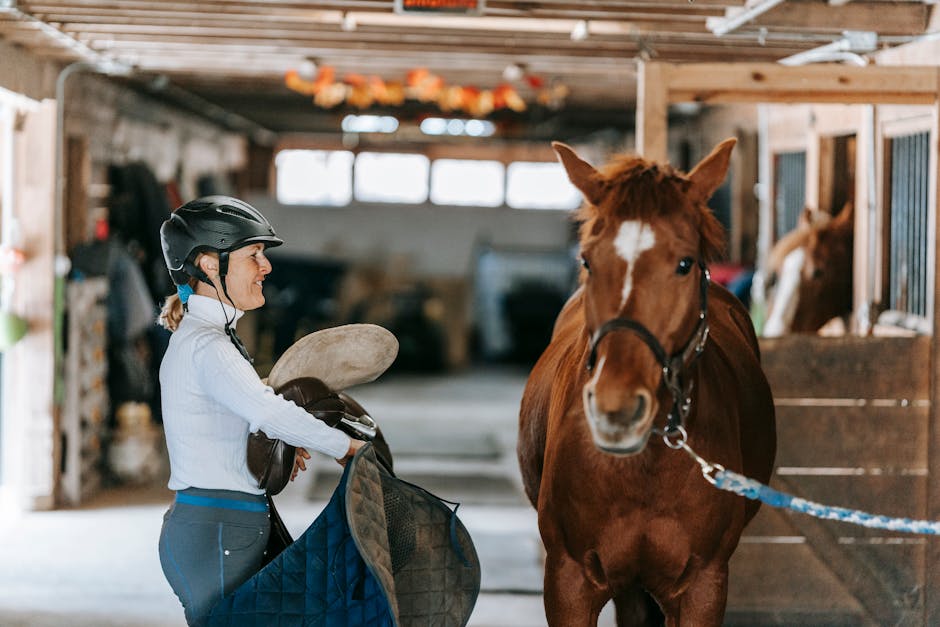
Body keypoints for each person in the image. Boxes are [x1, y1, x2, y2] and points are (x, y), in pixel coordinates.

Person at [155, 195, 364, 626]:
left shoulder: (213, 337)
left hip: (222, 526)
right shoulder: (208, 345)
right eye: (253, 255)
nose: (265, 267)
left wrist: (287, 443)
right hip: (218, 528)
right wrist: (346, 448)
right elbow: (267, 411)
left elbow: (246, 418)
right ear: (211, 264)